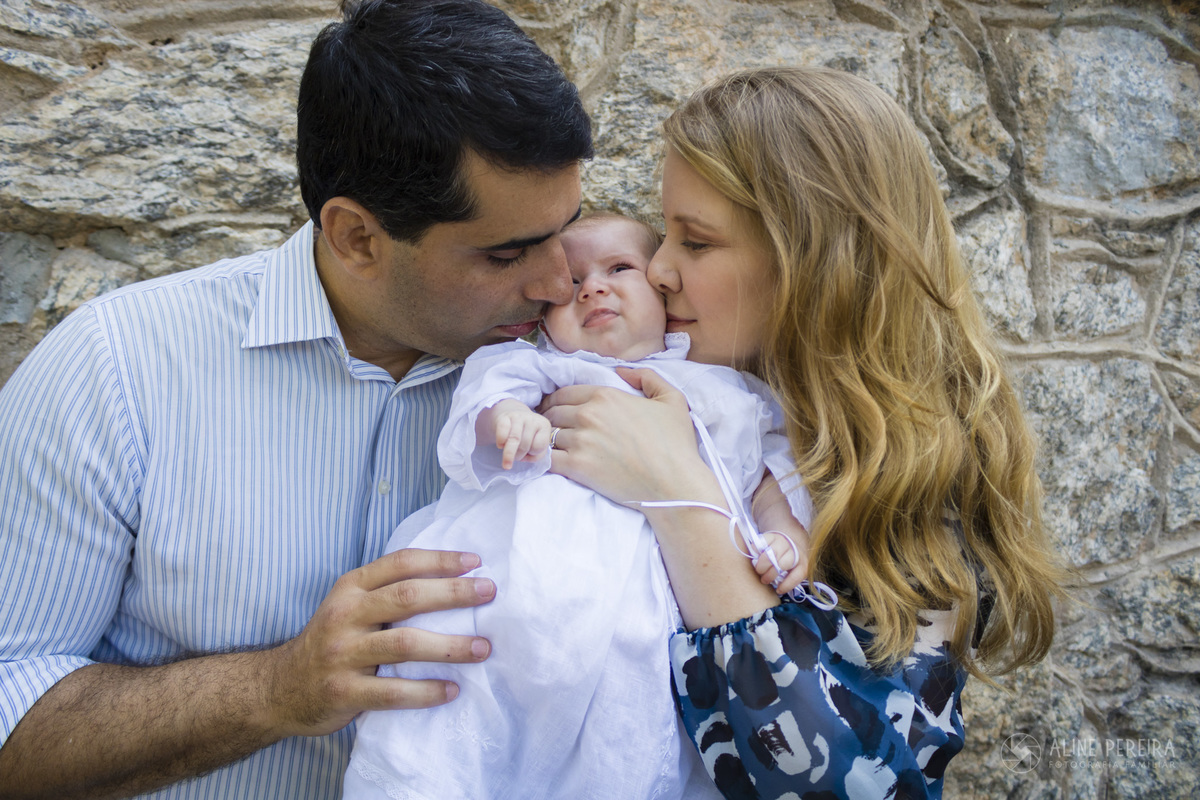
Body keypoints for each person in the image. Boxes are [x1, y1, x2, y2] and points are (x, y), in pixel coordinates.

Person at [0, 1, 592, 798]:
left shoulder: (578, 369)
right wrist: (276, 690)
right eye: (507, 252)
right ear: (355, 237)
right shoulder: (116, 370)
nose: (561, 282)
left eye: (569, 229)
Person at [539, 67, 1066, 799]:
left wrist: (679, 493)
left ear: (813, 262)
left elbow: (868, 784)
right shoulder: (637, 383)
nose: (658, 269)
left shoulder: (921, 488)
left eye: (694, 242)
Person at [343, 213, 814, 799]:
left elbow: (765, 477)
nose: (592, 288)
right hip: (512, 595)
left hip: (643, 621)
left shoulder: (720, 385)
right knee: (454, 720)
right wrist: (508, 419)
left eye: (619, 269)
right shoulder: (539, 365)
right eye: (572, 284)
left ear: (663, 291)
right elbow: (482, 405)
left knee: (628, 737)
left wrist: (784, 535)